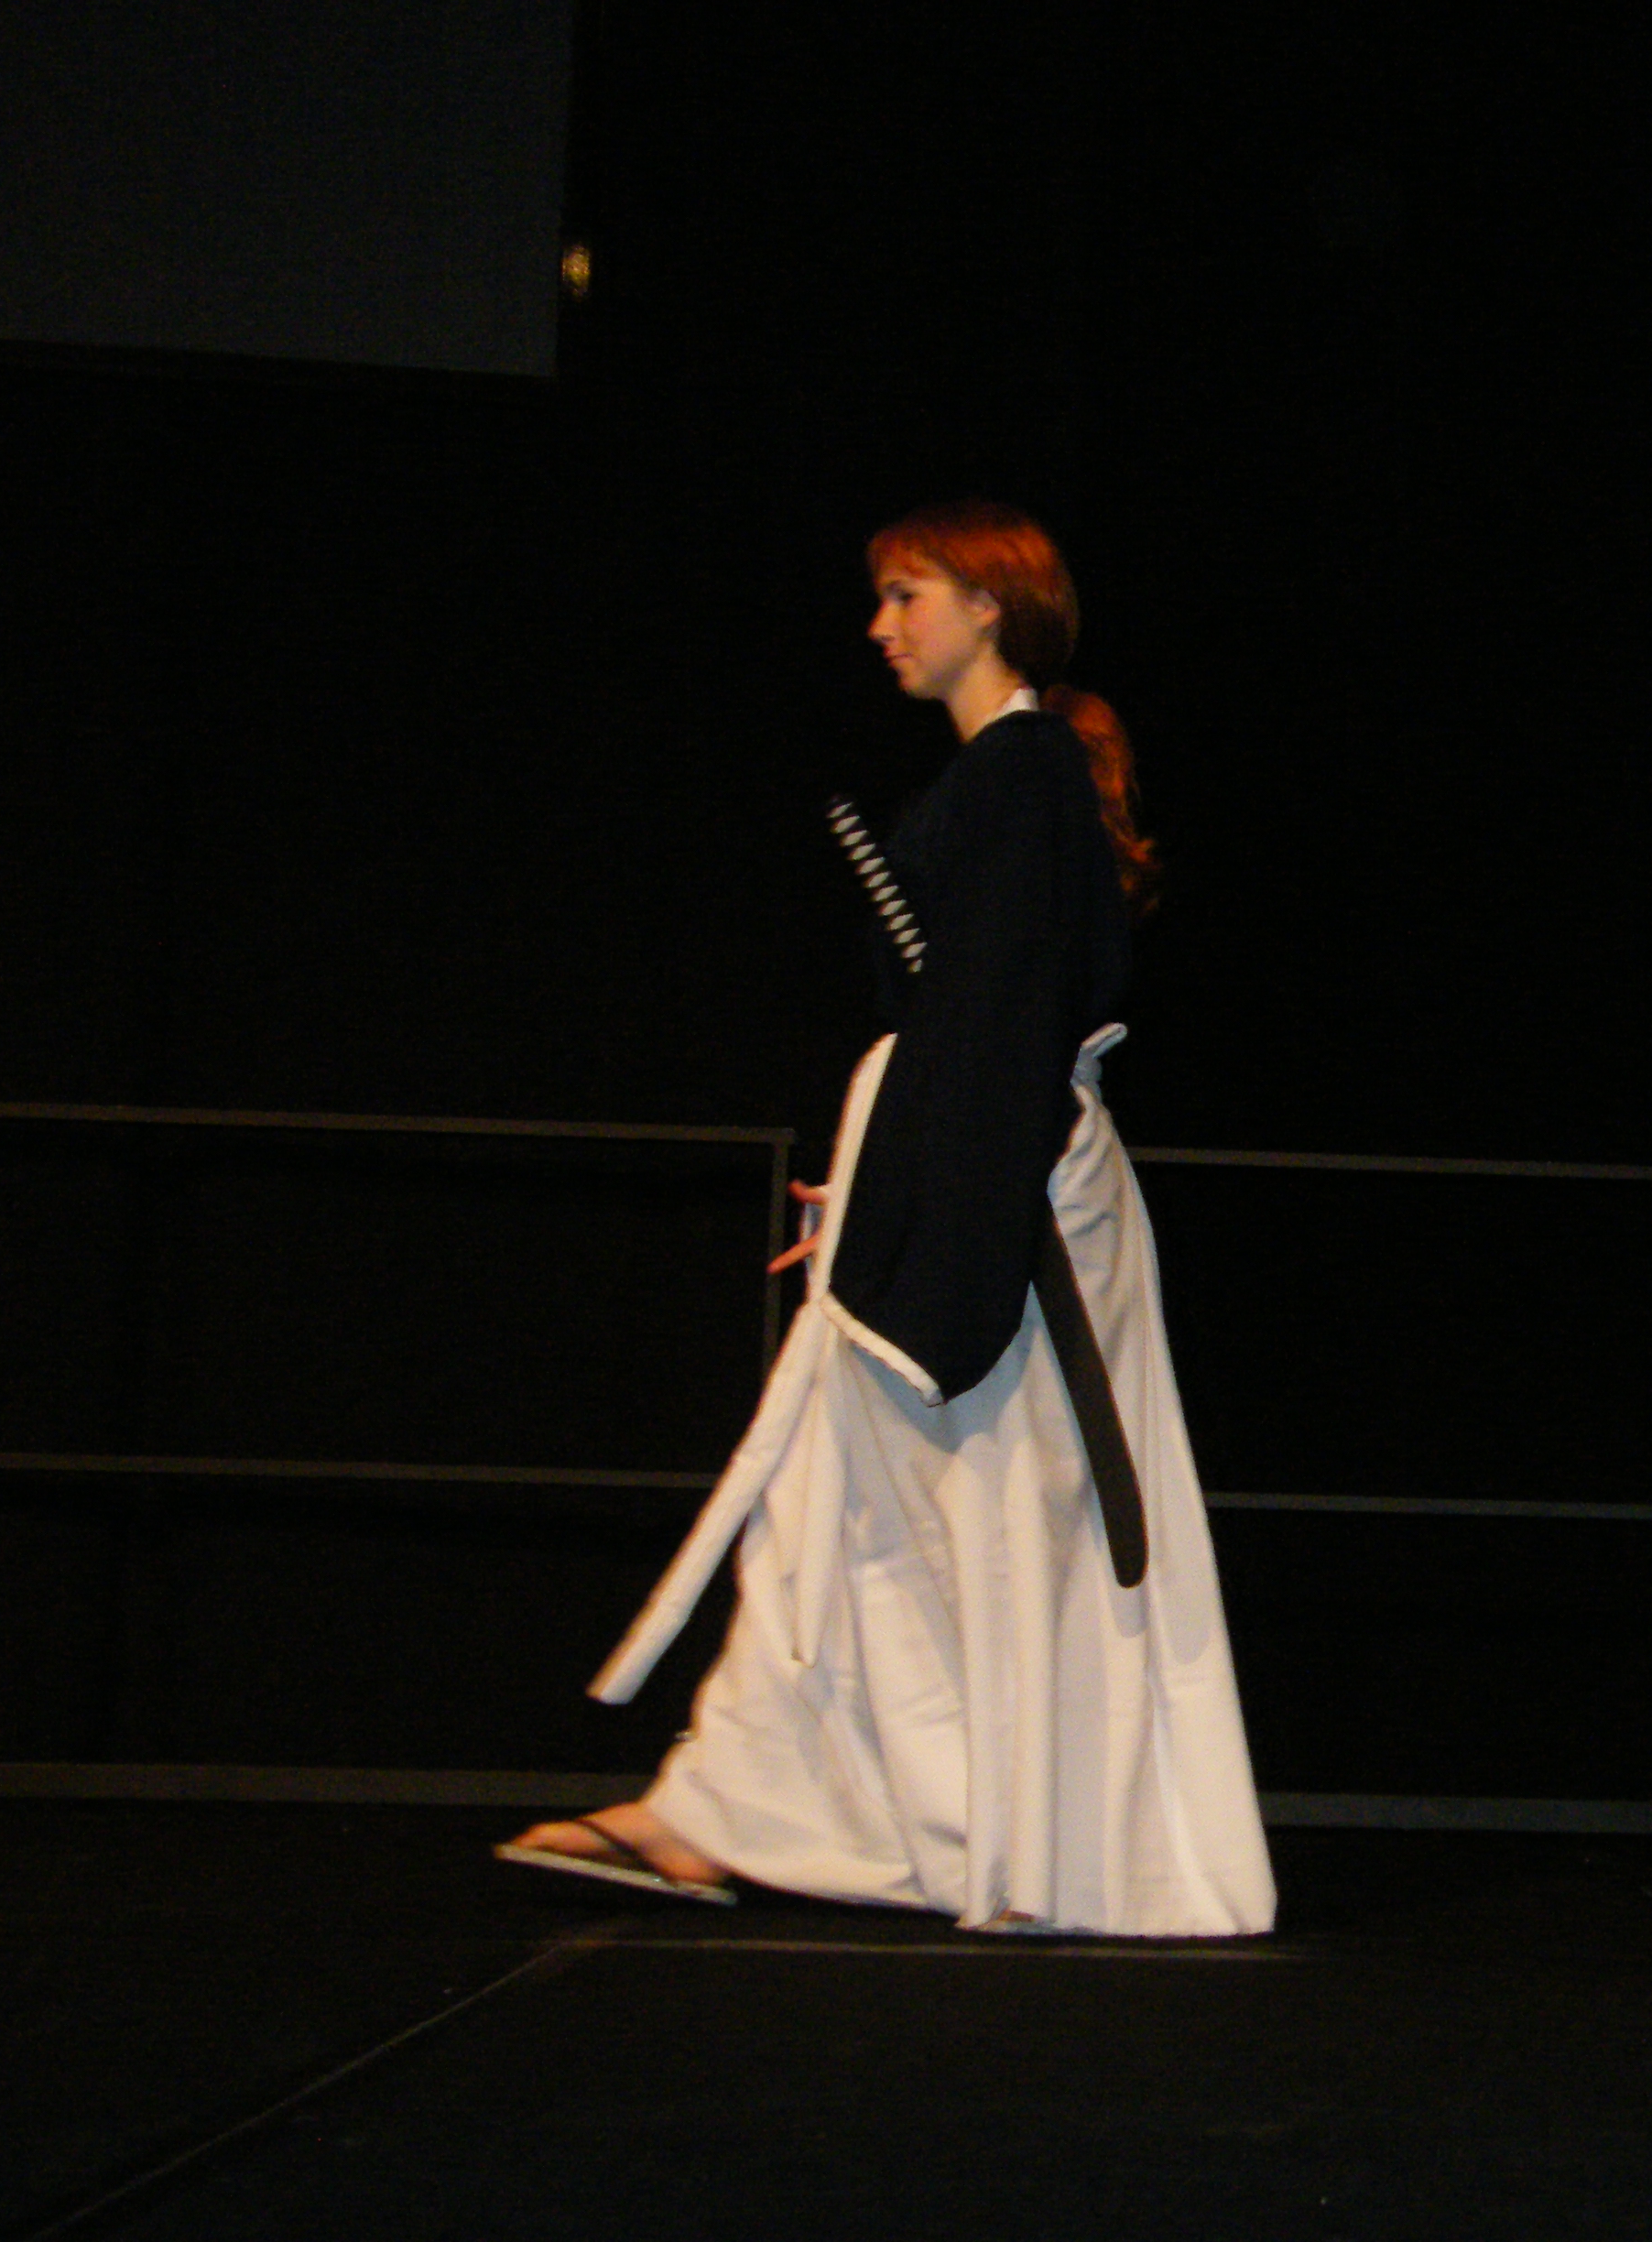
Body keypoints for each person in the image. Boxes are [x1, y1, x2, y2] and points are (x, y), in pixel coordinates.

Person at [501, 501, 1276, 1936]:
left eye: (908, 593)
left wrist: (930, 1223)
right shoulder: (1008, 778)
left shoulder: (1024, 774)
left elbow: (1003, 1024)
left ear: (990, 605)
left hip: (1010, 1189)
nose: (881, 625)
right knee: (856, 1508)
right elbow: (971, 1026)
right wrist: (888, 1190)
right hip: (976, 1167)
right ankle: (734, 1812)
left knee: (989, 1509)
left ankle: (1037, 1851)